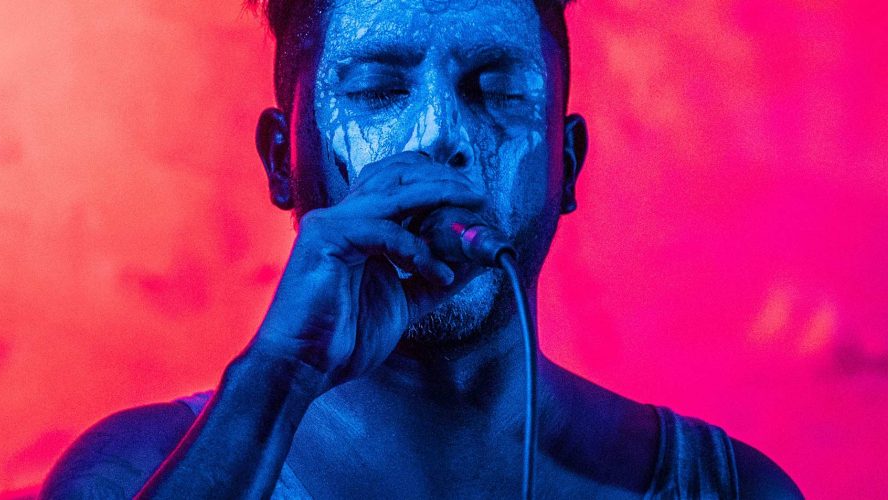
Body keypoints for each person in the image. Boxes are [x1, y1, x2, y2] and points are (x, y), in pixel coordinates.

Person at [40, 0, 804, 497]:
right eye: (377, 89)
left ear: (567, 167)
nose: (440, 134)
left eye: (498, 91)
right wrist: (278, 375)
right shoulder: (131, 472)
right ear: (281, 160)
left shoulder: (729, 489)